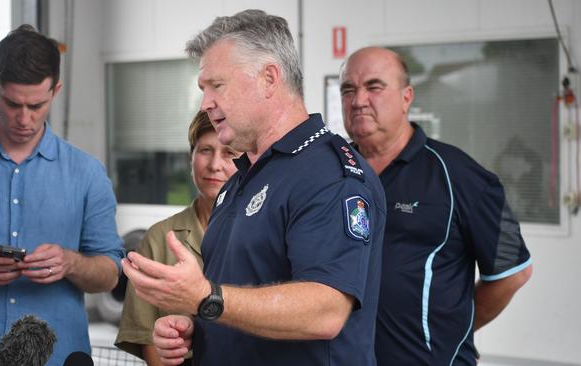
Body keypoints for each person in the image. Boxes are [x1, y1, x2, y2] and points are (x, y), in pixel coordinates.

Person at [121, 9, 386, 366]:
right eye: (203, 89)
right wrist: (195, 325)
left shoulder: (328, 174)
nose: (205, 104)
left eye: (217, 85)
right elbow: (234, 297)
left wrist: (206, 299)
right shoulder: (241, 179)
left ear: (269, 78)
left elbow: (325, 311)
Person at [0, 25, 124, 366]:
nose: (24, 118)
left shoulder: (88, 173)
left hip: (61, 356)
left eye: (37, 105)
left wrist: (71, 262)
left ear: (56, 90)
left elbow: (110, 273)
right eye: (12, 103)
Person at [339, 46, 533, 365]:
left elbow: (514, 271)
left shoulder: (462, 176)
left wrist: (455, 329)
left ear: (406, 97)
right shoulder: (332, 173)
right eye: (349, 90)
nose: (359, 100)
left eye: (374, 87)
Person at [114, 111, 239, 365]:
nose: (215, 164)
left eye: (229, 153)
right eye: (205, 150)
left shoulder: (264, 233)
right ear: (191, 157)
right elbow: (149, 341)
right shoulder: (159, 239)